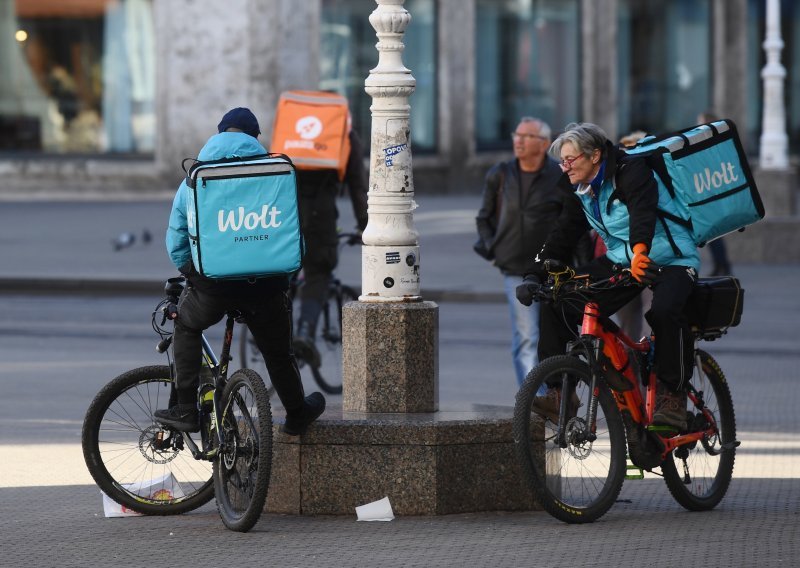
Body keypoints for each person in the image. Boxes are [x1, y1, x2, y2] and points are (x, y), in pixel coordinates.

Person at [516, 122, 700, 431]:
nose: (565, 167)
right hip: (622, 260)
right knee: (558, 299)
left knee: (666, 311)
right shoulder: (582, 190)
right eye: (562, 161)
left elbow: (644, 210)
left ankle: (673, 396)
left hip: (672, 257)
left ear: (595, 155)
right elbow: (562, 234)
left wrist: (641, 251)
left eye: (571, 160)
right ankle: (561, 393)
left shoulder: (632, 170)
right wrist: (535, 274)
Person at [155, 107, 325, 436]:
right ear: (254, 138)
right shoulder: (275, 175)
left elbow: (176, 238)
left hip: (212, 285)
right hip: (266, 283)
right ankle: (296, 412)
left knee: (187, 327)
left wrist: (192, 271)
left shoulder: (195, 177)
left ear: (219, 134)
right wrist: (283, 279)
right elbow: (292, 239)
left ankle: (186, 409)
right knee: (278, 351)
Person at [475, 117, 568, 387]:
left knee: (553, 337)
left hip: (555, 269)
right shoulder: (500, 174)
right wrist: (494, 250)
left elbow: (572, 221)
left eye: (526, 136)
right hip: (515, 267)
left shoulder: (559, 176)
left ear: (544, 144)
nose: (518, 140)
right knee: (527, 336)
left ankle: (557, 394)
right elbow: (484, 218)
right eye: (517, 134)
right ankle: (535, 403)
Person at [291, 128, 368, 367]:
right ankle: (304, 333)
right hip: (319, 220)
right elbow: (357, 185)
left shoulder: (293, 129)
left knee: (283, 274)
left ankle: (270, 329)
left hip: (285, 214)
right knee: (319, 271)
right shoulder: (343, 134)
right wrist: (366, 226)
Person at [697, 111, 733, 276]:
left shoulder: (710, 144)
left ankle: (722, 264)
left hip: (711, 195)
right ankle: (721, 264)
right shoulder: (716, 143)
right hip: (711, 195)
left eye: (700, 122)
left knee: (713, 234)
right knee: (713, 234)